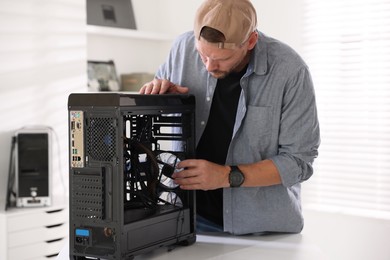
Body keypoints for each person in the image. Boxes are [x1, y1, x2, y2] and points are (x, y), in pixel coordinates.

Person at [139, 0, 320, 235]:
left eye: (222, 59)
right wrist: (159, 94)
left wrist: (226, 176)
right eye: (203, 55)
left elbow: (299, 162)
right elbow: (153, 123)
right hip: (184, 218)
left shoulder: (290, 71)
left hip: (260, 230)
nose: (209, 66)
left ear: (251, 41)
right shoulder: (182, 47)